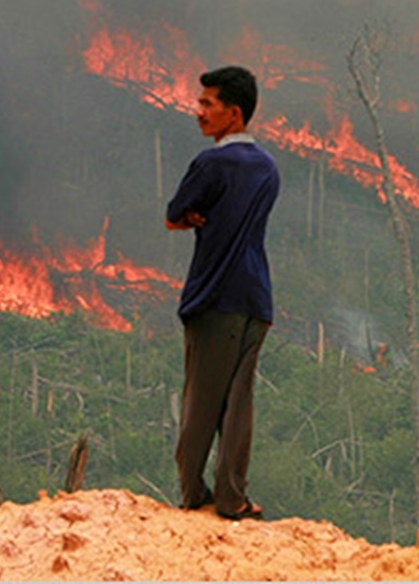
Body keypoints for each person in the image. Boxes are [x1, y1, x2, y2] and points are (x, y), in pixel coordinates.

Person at [166, 65, 279, 520]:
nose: (199, 112)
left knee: (201, 400)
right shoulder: (268, 168)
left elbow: (175, 214)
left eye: (207, 104)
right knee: (239, 401)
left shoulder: (211, 163)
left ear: (233, 113)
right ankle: (234, 498)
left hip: (215, 297)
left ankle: (194, 493)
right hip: (256, 298)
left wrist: (194, 218)